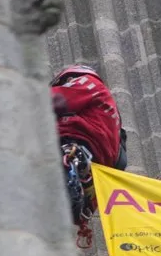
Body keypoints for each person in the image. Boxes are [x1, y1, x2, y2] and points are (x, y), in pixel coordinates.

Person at [51, 64, 127, 226]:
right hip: (92, 165)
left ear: (69, 78)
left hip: (74, 145)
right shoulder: (114, 123)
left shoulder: (88, 83)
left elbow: (56, 100)